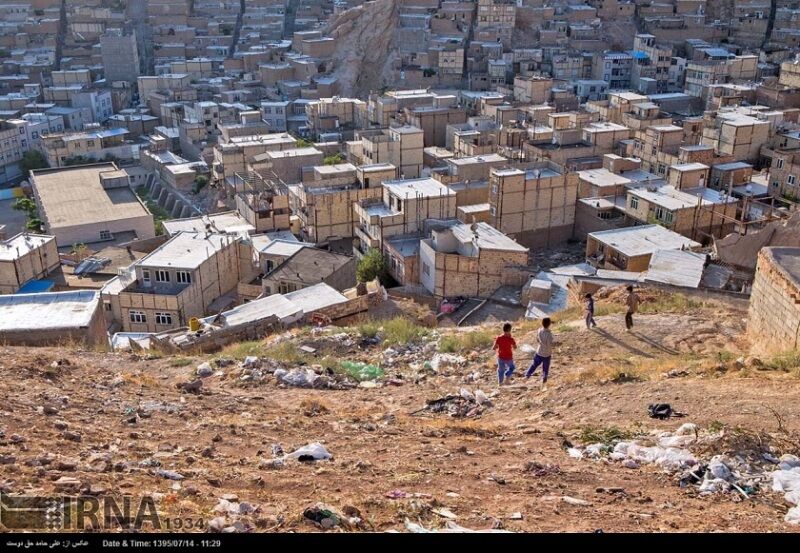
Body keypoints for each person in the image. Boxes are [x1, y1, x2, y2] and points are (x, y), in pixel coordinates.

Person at [525, 317, 554, 385]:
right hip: (547, 354)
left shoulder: (539, 330)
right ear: (549, 324)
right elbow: (549, 344)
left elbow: (537, 339)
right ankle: (544, 380)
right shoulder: (549, 334)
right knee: (545, 368)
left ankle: (527, 375)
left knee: (534, 365)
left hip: (539, 352)